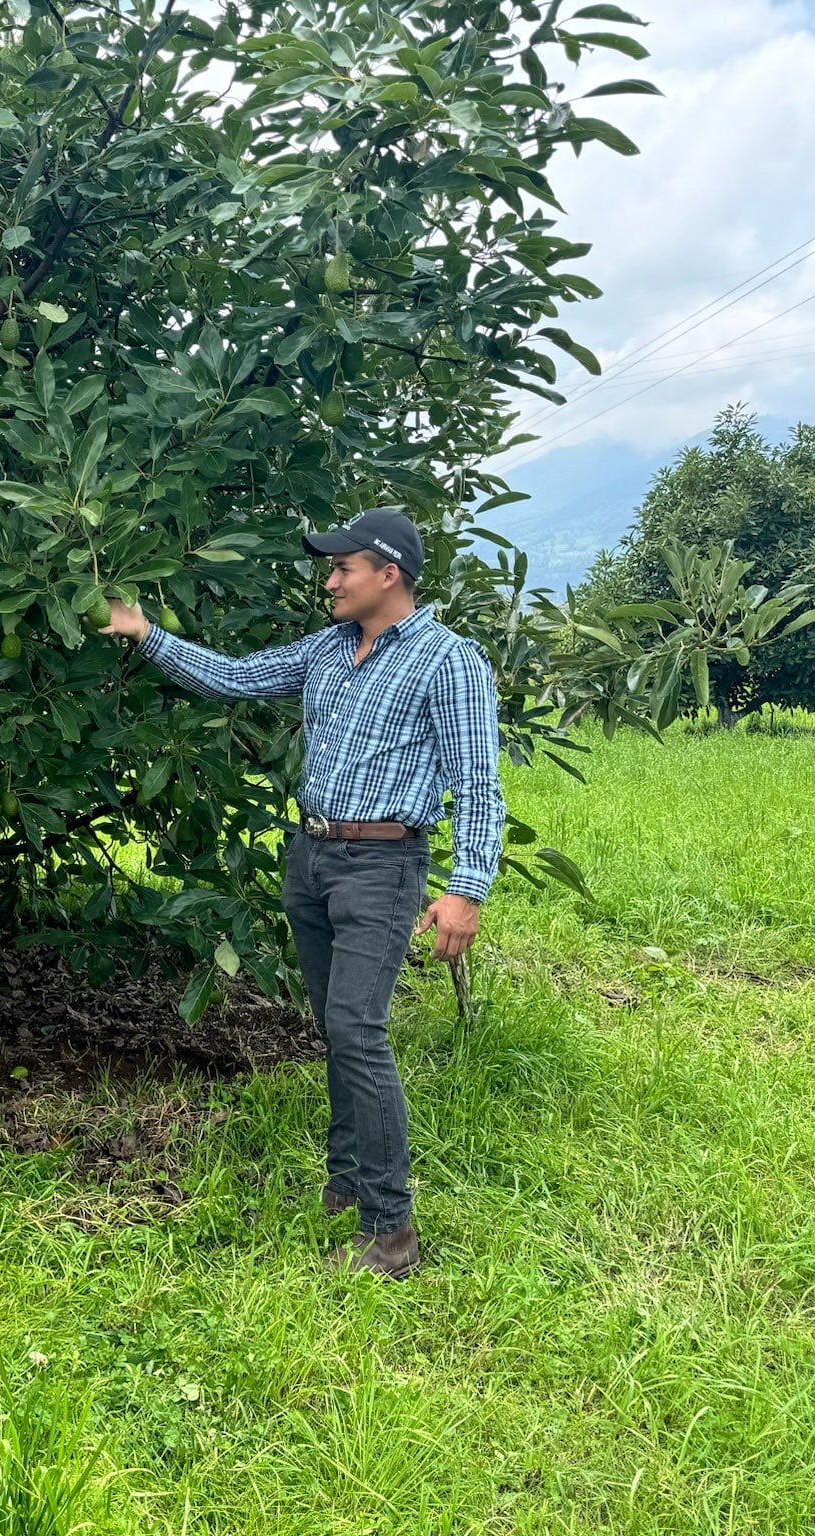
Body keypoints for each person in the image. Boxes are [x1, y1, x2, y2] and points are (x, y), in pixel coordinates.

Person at [100, 507, 505, 1278]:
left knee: (357, 1029)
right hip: (312, 858)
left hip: (384, 866)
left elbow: (478, 784)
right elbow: (233, 678)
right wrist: (143, 633)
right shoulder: (328, 648)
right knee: (334, 1026)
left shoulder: (448, 661)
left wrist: (467, 889)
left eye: (342, 568)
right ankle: (348, 1182)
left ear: (388, 573)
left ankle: (392, 1233)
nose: (330, 581)